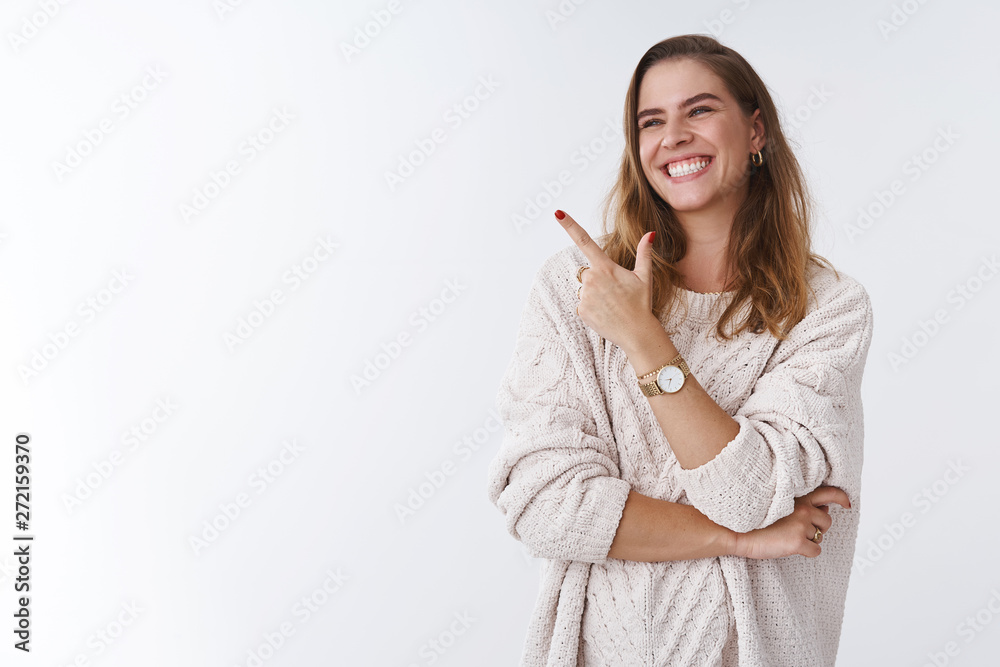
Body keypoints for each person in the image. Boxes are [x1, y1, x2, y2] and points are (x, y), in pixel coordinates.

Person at [485, 34, 874, 667]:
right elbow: (544, 505)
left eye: (698, 110)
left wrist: (642, 338)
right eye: (651, 121)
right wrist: (740, 540)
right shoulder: (576, 289)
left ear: (755, 131)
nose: (673, 136)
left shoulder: (825, 307)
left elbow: (746, 494)